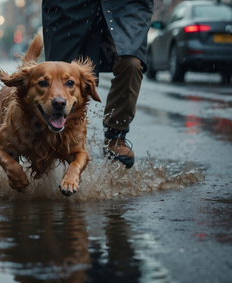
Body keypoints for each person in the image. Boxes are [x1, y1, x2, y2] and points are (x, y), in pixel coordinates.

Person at [42, 0, 154, 168]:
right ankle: (55, 137)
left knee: (131, 62)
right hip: (71, 7)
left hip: (125, 5)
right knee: (61, 73)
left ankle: (116, 136)